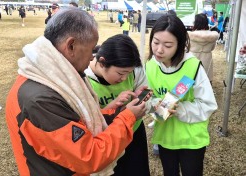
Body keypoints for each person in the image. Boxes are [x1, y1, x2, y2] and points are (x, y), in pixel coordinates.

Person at [5, 8, 147, 176]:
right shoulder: (39, 100)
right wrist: (127, 117)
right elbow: (89, 155)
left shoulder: (50, 81)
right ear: (71, 45)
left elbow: (76, 123)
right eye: (91, 48)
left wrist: (116, 111)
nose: (92, 58)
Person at [145, 14, 218, 176]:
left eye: (168, 45)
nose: (159, 49)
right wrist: (155, 106)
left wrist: (179, 110)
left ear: (180, 44)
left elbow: (208, 104)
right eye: (155, 42)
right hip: (165, 138)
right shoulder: (150, 66)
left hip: (191, 140)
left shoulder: (192, 67)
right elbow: (147, 99)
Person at [85, 34, 151, 176]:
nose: (125, 79)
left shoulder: (135, 70)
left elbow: (145, 93)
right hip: (105, 139)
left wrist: (141, 98)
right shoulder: (84, 78)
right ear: (102, 62)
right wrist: (115, 106)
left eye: (129, 73)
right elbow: (88, 120)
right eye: (121, 73)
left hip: (133, 132)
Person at [188, 13, 219, 84]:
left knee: (191, 78)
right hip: (207, 59)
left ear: (196, 22)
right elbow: (212, 48)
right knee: (206, 80)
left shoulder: (190, 35)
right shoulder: (213, 36)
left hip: (193, 58)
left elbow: (187, 48)